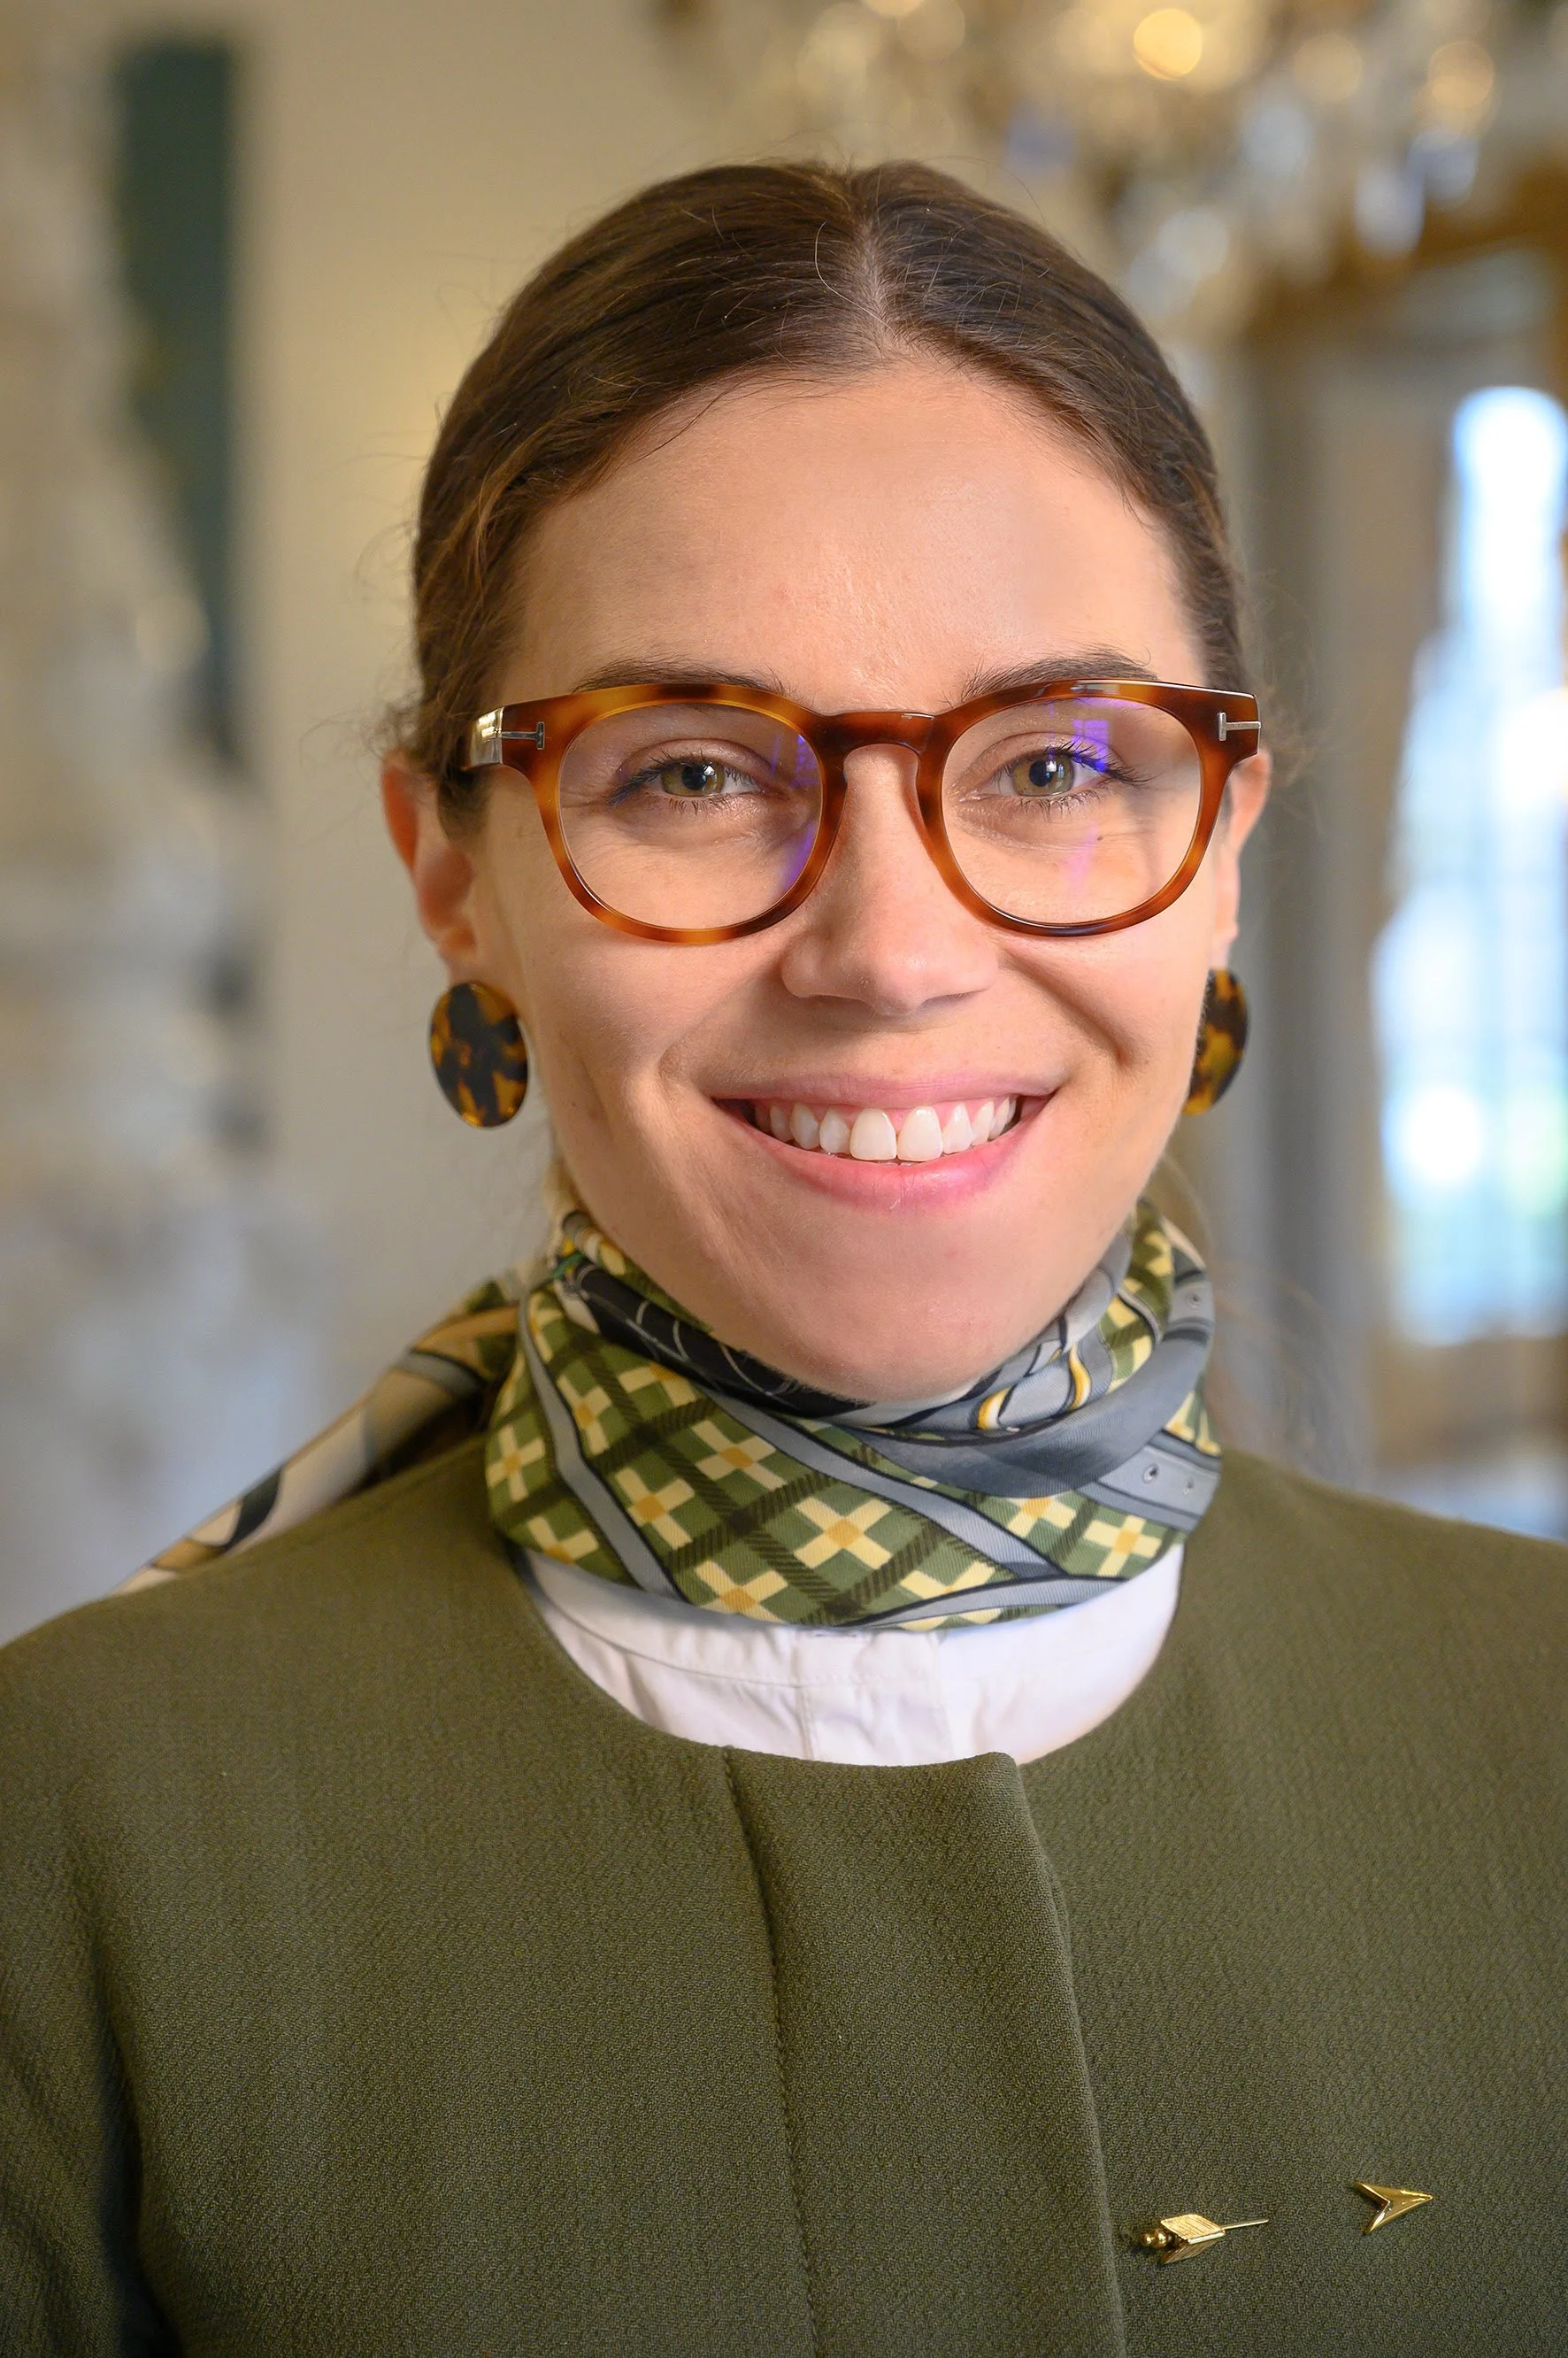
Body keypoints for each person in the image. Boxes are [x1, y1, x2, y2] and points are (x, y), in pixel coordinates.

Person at [2, 161, 1563, 2358]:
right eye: (695, 775)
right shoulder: (76, 1829)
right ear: (456, 878)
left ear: (1221, 848)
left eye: (1053, 762)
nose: (889, 953)